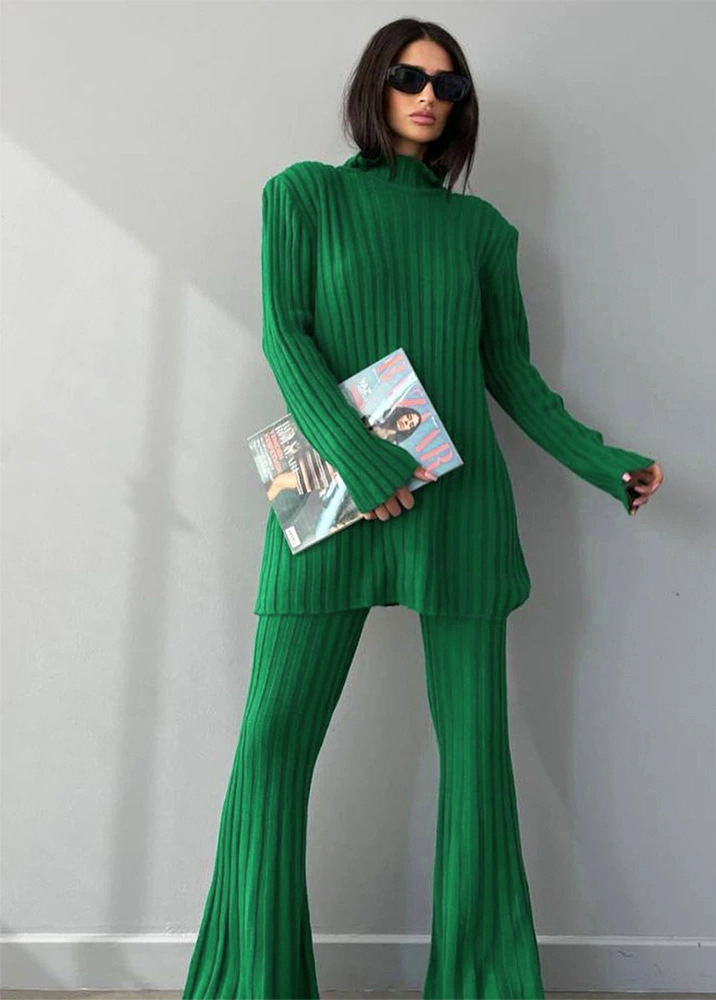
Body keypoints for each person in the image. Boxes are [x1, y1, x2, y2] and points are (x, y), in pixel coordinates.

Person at [182, 17, 663, 1000]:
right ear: (376, 83)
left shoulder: (482, 232)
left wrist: (605, 462)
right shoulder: (303, 195)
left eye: (449, 84)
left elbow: (511, 375)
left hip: (461, 507)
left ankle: (484, 985)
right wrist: (361, 459)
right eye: (410, 76)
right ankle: (250, 984)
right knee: (271, 746)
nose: (429, 96)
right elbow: (286, 336)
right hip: (330, 496)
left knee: (477, 762)